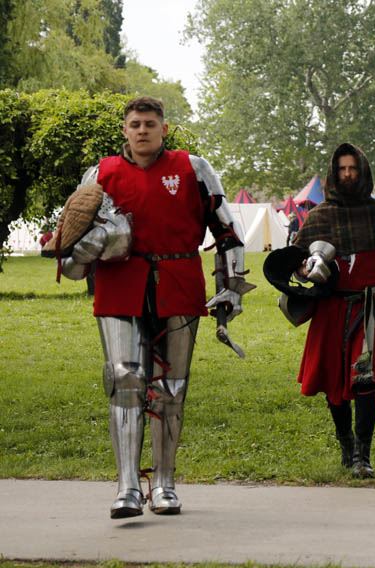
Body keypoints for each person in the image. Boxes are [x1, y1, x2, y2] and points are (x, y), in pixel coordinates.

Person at [55, 96, 251, 518]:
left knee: (170, 389)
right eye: (134, 124)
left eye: (149, 123)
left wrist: (231, 287)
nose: (142, 130)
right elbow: (71, 233)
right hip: (120, 285)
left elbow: (228, 231)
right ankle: (126, 488)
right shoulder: (100, 173)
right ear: (124, 130)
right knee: (124, 379)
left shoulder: (193, 168)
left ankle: (164, 484)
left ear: (164, 127)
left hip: (178, 283)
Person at [293, 143, 375, 479]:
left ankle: (363, 454)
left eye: (353, 169)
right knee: (334, 382)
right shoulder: (319, 217)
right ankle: (346, 445)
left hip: (369, 309)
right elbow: (295, 262)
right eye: (343, 169)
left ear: (363, 172)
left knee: (365, 380)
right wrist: (303, 271)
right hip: (331, 311)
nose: (348, 175)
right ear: (334, 173)